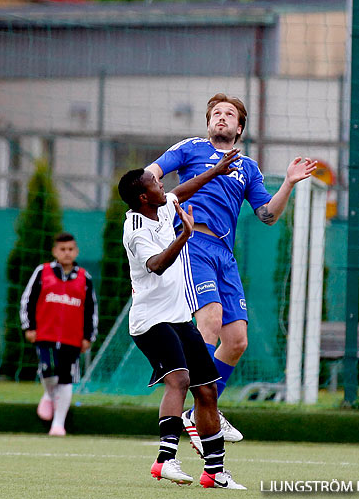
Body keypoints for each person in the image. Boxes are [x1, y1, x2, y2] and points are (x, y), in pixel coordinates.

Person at [146, 92, 317, 449]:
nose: (221, 118)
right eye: (216, 114)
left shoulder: (249, 167)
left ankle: (200, 411)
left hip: (224, 255)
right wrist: (159, 212)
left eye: (229, 114)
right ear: (209, 123)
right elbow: (150, 176)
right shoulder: (190, 148)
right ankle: (199, 409)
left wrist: (287, 182)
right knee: (209, 320)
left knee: (237, 341)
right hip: (191, 244)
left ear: (239, 127)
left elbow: (267, 215)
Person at [118, 150, 246, 489]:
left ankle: (215, 472)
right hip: (150, 322)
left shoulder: (161, 207)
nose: (164, 185)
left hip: (177, 318)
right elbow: (157, 265)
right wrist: (185, 236)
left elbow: (186, 187)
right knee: (179, 381)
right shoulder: (135, 229)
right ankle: (165, 460)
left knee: (207, 390)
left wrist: (217, 170)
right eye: (157, 183)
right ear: (144, 196)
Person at [20, 231, 98, 436]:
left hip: (72, 338)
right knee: (47, 370)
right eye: (62, 249)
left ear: (76, 251)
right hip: (44, 335)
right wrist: (29, 327)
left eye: (70, 249)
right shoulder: (42, 272)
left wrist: (88, 336)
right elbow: (27, 300)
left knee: (66, 377)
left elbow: (91, 309)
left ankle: (58, 424)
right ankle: (48, 394)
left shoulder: (85, 278)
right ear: (55, 251)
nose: (66, 253)